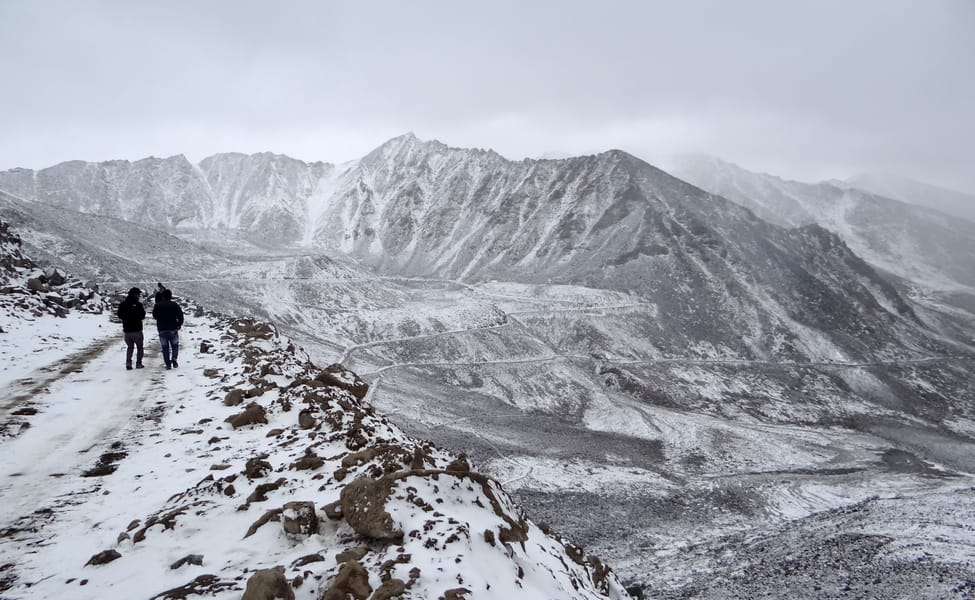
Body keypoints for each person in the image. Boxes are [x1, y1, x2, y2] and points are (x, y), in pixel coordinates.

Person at [152, 288, 184, 369]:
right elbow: (180, 316)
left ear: (163, 296)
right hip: (173, 329)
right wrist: (179, 325)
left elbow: (154, 316)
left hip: (162, 329)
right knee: (175, 346)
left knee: (165, 348)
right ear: (170, 296)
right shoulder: (175, 305)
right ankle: (174, 358)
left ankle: (168, 364)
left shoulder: (158, 305)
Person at [117, 287, 146, 370]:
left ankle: (128, 363)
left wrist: (126, 318)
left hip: (127, 330)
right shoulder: (139, 305)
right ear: (136, 295)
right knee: (140, 347)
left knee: (130, 347)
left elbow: (119, 315)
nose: (139, 296)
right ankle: (138, 363)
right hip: (137, 329)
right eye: (138, 294)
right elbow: (142, 315)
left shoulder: (123, 304)